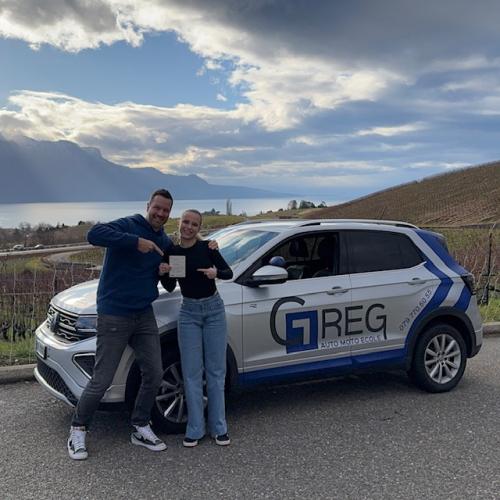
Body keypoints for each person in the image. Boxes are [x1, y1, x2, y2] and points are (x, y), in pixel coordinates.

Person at [67, 189, 174, 460]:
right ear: (148, 206)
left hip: (144, 314)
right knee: (102, 379)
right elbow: (94, 234)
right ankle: (78, 429)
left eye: (166, 210)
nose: (160, 213)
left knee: (154, 373)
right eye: (157, 208)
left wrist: (165, 272)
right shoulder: (129, 225)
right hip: (115, 313)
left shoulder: (165, 241)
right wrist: (135, 242)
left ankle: (140, 425)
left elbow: (171, 283)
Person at [159, 209, 233, 448]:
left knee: (216, 372)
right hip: (188, 313)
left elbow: (228, 272)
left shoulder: (207, 248)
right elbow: (170, 285)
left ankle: (219, 428)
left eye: (194, 224)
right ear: (179, 223)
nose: (189, 227)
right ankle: (195, 429)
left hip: (214, 311)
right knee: (191, 373)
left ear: (199, 228)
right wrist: (163, 272)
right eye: (186, 222)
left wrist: (215, 272)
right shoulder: (174, 252)